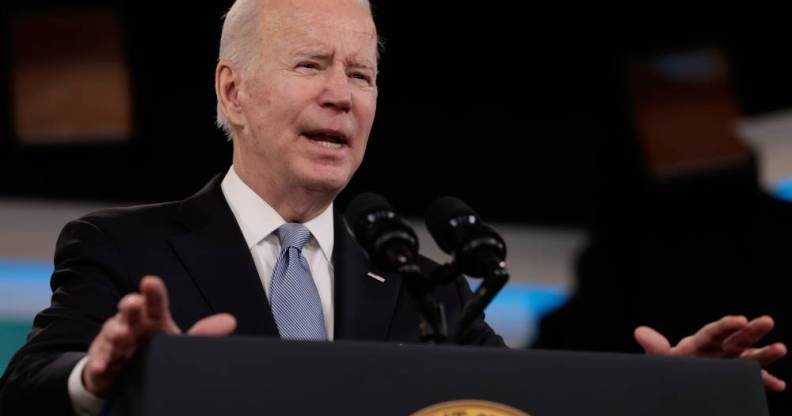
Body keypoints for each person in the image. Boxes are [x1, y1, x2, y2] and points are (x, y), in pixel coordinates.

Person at [0, 0, 785, 414]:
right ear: (231, 90)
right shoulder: (124, 247)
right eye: (311, 64)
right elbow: (31, 385)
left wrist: (666, 397)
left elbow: (520, 408)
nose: (342, 95)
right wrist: (102, 377)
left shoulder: (425, 288)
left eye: (362, 74)